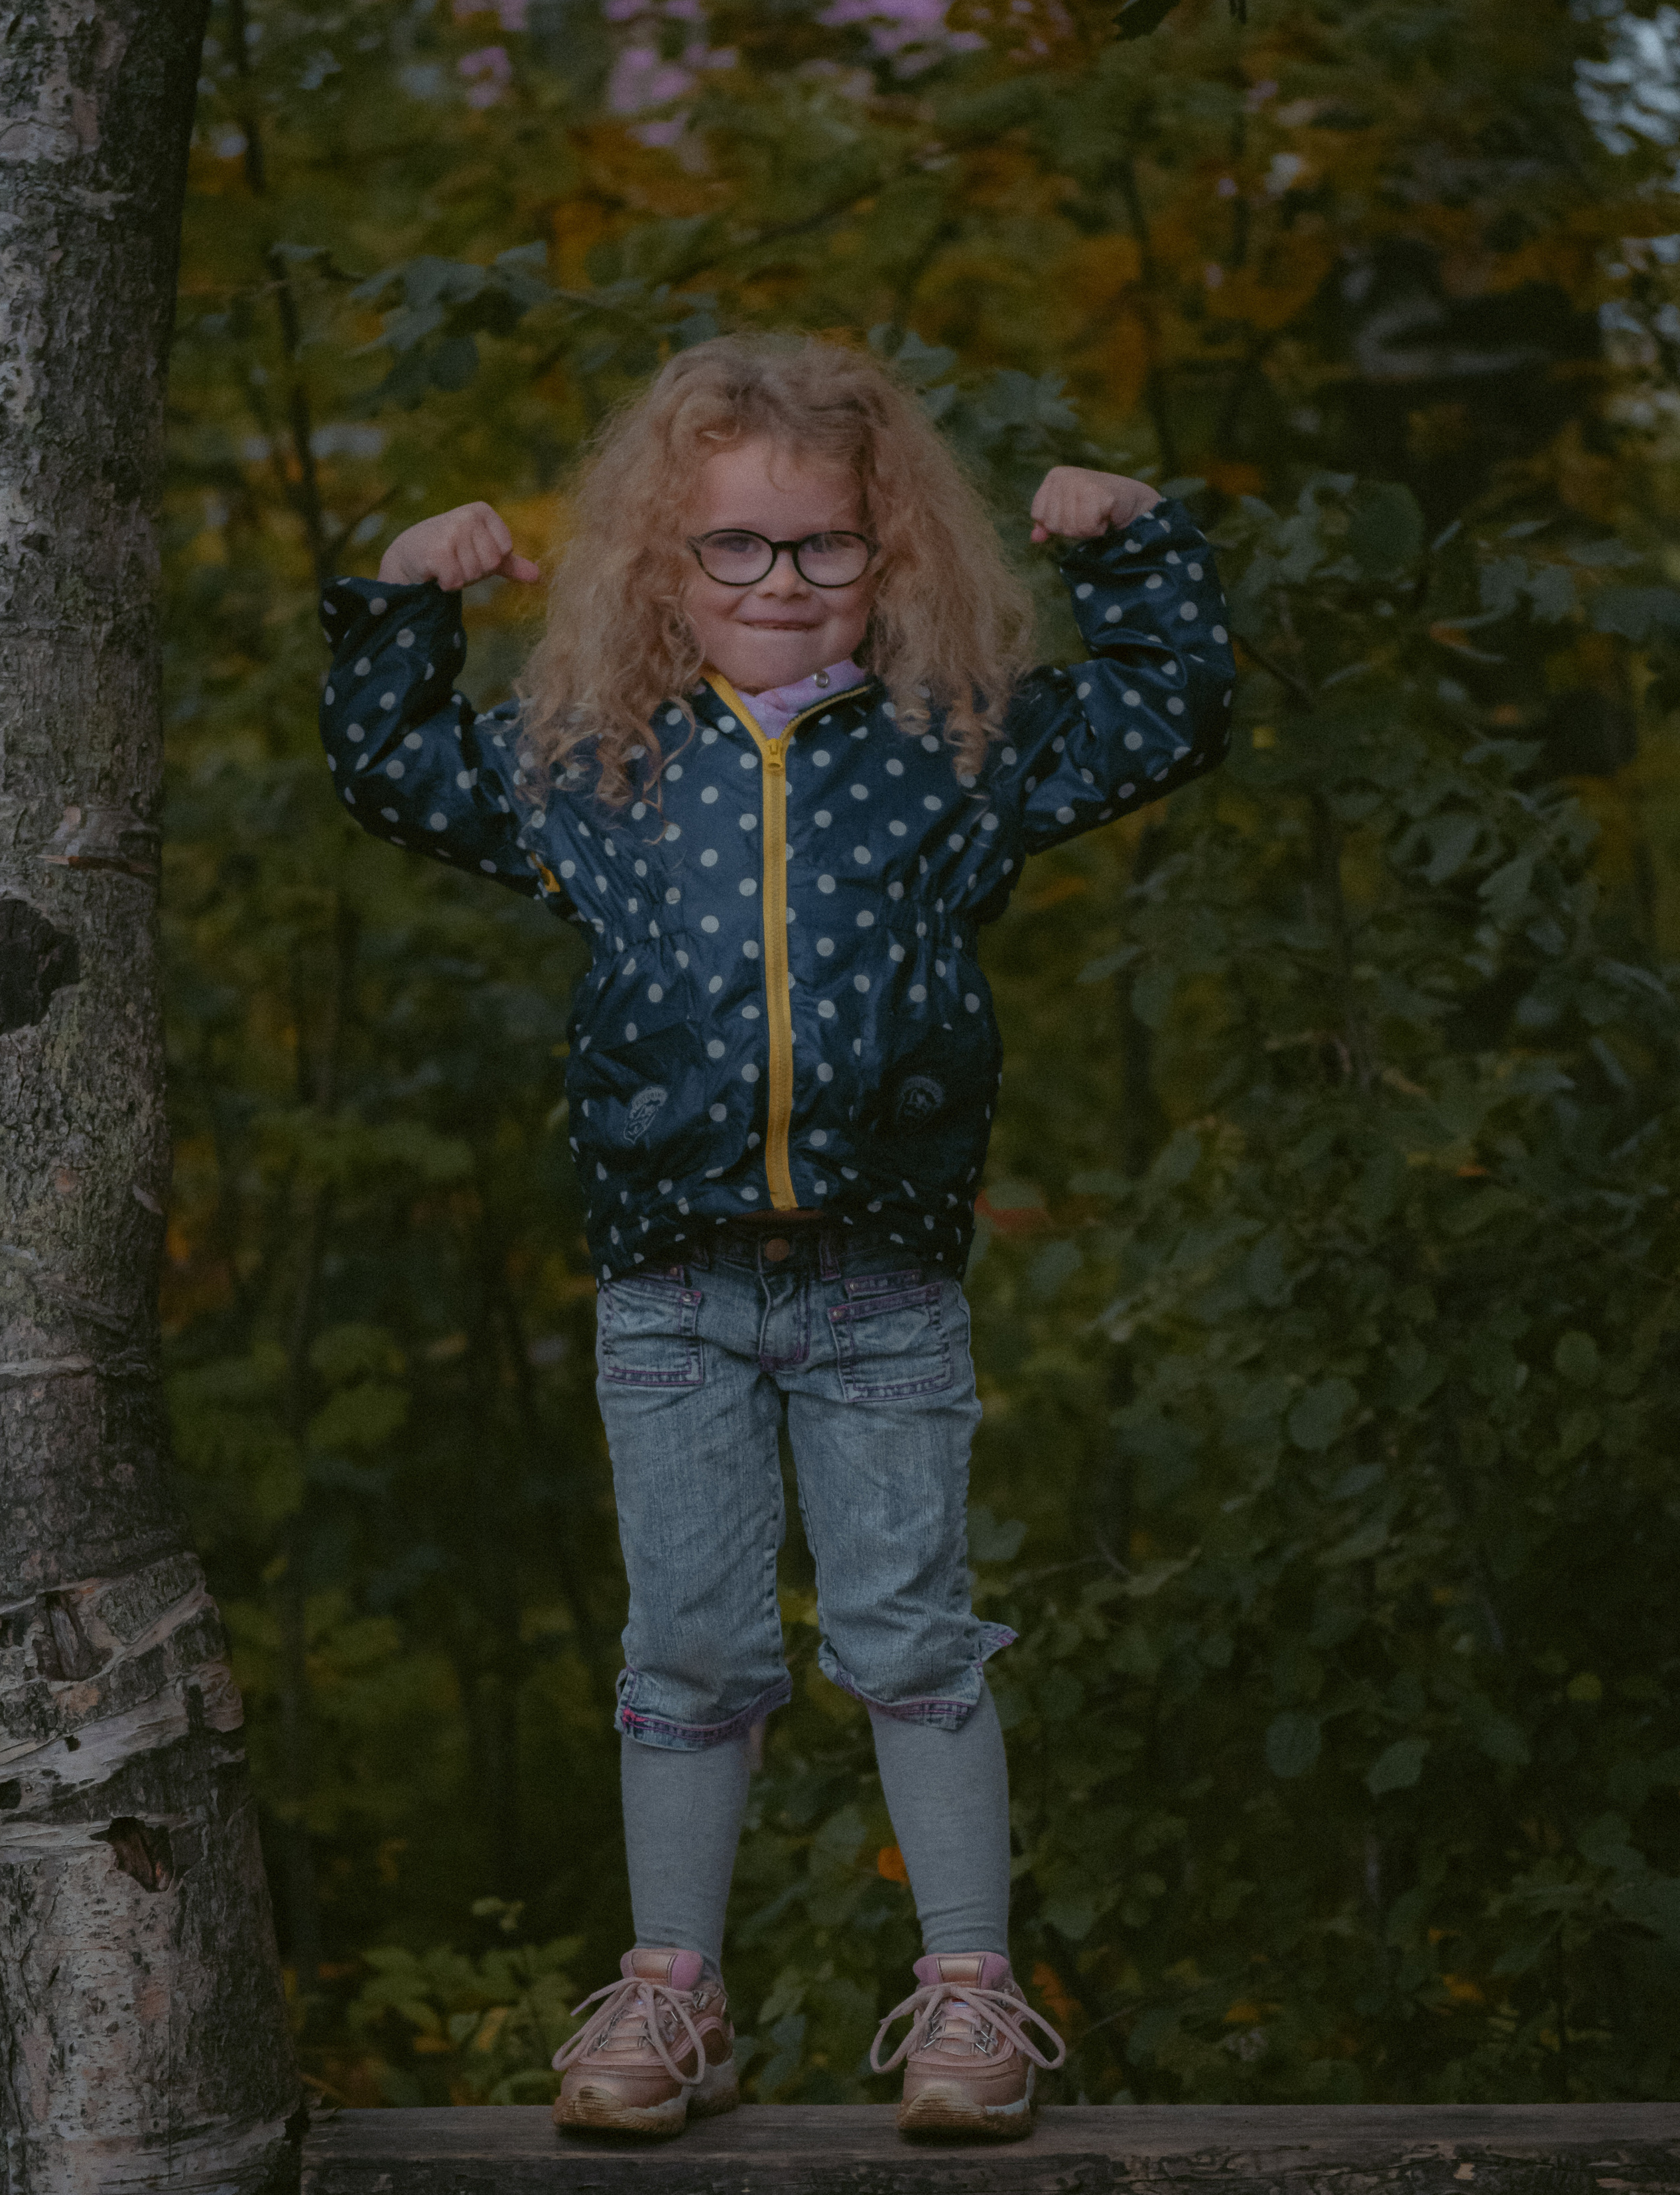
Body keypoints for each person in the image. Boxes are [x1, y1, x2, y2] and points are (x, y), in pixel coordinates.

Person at [318, 334, 1235, 2139]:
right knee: (691, 1651)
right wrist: (402, 595)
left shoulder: (954, 741)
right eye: (734, 545)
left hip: (885, 1287)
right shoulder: (593, 756)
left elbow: (1167, 712)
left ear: (891, 554)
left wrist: (1132, 545)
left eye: (823, 546)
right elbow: (392, 773)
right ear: (663, 560)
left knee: (913, 1634)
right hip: (672, 1288)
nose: (781, 584)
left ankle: (969, 1994)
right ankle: (676, 1993)